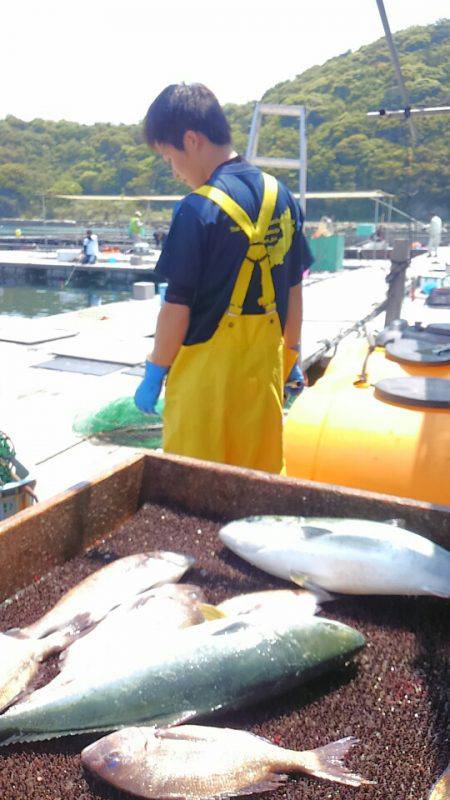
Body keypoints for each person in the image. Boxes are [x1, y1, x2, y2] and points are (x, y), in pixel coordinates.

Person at [134, 83, 312, 473]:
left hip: (204, 392)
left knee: (195, 493)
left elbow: (176, 307)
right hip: (261, 378)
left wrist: (156, 368)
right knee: (257, 485)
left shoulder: (196, 209)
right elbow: (295, 289)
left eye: (169, 158)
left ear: (191, 140)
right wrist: (292, 355)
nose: (174, 171)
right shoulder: (281, 196)